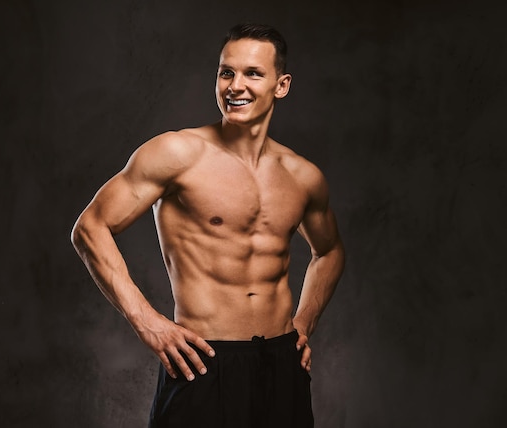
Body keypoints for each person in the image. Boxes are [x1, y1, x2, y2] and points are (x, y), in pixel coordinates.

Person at [71, 23, 345, 428]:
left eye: (253, 73)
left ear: (281, 85)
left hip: (281, 366)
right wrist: (147, 322)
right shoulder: (178, 153)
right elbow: (90, 228)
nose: (235, 86)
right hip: (204, 361)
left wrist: (303, 323)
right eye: (226, 72)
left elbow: (330, 251)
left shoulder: (302, 176)